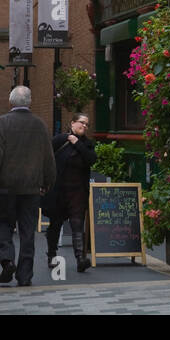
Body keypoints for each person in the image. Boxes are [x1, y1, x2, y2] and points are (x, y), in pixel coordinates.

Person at [0, 86, 55, 287]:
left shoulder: (1, 123)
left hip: (6, 187)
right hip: (31, 188)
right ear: (29, 102)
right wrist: (47, 183)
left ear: (10, 102)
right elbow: (48, 159)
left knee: (1, 224)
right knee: (27, 232)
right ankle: (25, 276)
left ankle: (7, 260)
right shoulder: (40, 125)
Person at [43, 113, 96, 274]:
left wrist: (77, 143)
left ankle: (80, 259)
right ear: (72, 123)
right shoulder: (59, 140)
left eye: (87, 124)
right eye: (82, 123)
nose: (84, 126)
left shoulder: (87, 144)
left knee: (77, 224)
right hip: (58, 190)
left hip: (77, 191)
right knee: (55, 224)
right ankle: (52, 255)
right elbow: (46, 160)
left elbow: (91, 159)